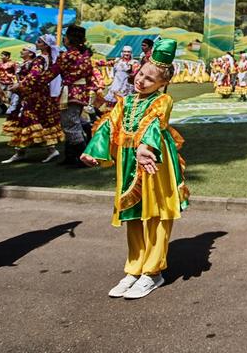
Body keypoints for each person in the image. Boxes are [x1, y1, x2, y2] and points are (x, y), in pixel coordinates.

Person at [80, 39, 189, 300]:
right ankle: (134, 268)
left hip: (154, 160)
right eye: (141, 74)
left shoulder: (162, 100)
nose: (141, 80)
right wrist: (92, 150)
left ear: (162, 83)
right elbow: (109, 125)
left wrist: (144, 147)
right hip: (128, 160)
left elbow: (154, 123)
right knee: (133, 215)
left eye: (150, 79)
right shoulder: (126, 101)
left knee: (156, 214)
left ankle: (152, 272)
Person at [40, 25, 103, 166]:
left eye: (65, 37)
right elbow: (89, 76)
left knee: (70, 125)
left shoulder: (67, 56)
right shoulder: (85, 56)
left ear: (69, 39)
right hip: (81, 93)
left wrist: (29, 85)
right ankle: (70, 156)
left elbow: (50, 73)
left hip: (70, 93)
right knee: (72, 122)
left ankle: (84, 159)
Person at [1, 35, 64, 164]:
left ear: (45, 45)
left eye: (39, 42)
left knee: (29, 119)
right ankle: (25, 151)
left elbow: (34, 75)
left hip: (34, 95)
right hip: (39, 94)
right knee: (38, 120)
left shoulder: (40, 59)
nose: (37, 43)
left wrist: (19, 85)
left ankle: (26, 151)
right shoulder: (49, 58)